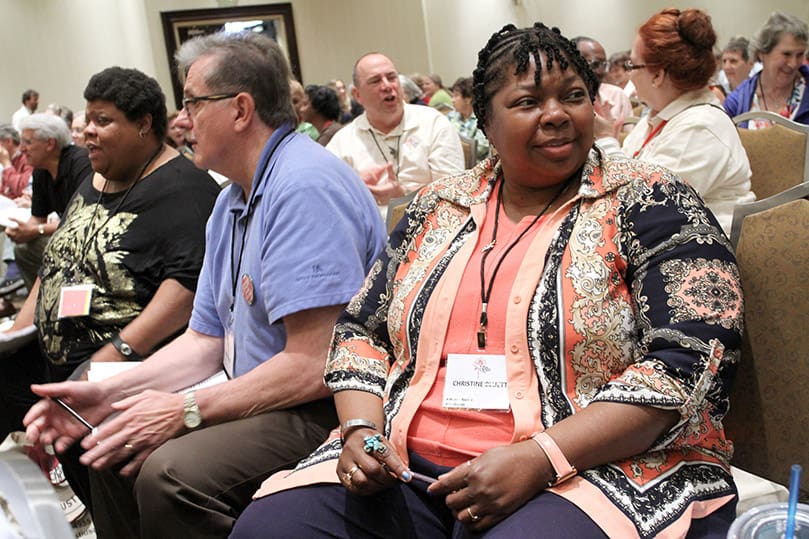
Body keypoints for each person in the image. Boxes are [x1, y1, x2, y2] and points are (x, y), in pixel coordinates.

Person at [231, 21, 742, 539]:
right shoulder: (438, 205)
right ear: (486, 123)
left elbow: (693, 358)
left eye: (574, 96)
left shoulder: (651, 199)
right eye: (527, 102)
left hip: (592, 469)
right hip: (406, 465)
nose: (557, 115)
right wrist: (361, 429)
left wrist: (542, 458)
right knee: (269, 528)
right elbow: (361, 329)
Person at [24, 30, 385, 539]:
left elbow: (314, 364)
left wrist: (185, 409)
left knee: (170, 476)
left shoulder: (303, 187)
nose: (182, 120)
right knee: (108, 443)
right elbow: (204, 342)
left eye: (192, 102)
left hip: (321, 406)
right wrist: (103, 394)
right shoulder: (230, 201)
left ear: (240, 110)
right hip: (258, 390)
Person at [1, 66, 220, 502]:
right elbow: (57, 260)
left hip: (126, 373)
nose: (88, 134)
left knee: (121, 504)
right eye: (88, 120)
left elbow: (186, 290)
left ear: (143, 124)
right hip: (59, 361)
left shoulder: (186, 189)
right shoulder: (93, 179)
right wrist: (18, 330)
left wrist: (109, 359)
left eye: (103, 121)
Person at [595, 8, 754, 236]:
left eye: (632, 66)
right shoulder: (659, 116)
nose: (629, 76)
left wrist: (606, 141)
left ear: (658, 75)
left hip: (696, 256)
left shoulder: (702, 126)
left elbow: (643, 207)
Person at [326, 53, 464, 214]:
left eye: (392, 77)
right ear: (357, 95)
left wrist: (403, 198)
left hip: (429, 229)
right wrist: (356, 193)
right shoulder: (342, 143)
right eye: (375, 81)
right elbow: (330, 205)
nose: (387, 86)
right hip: (369, 235)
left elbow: (454, 194)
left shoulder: (433, 123)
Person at [9, 113, 92, 290]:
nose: (22, 148)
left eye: (28, 142)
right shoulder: (41, 170)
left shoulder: (81, 163)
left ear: (50, 144)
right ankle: (42, 304)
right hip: (65, 235)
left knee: (50, 248)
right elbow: (37, 218)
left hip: (87, 238)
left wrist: (36, 230)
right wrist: (20, 230)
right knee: (23, 248)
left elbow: (82, 222)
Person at [724, 12, 809, 126]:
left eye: (800, 54)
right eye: (786, 54)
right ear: (762, 53)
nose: (793, 64)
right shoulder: (737, 101)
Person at [574, 36, 634, 125]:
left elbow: (630, 136)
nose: (601, 71)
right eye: (595, 64)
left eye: (604, 64)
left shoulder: (617, 96)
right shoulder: (560, 102)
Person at [446, 76, 489, 161]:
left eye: (456, 96)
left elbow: (480, 149)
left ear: (468, 99)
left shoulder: (482, 119)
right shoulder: (450, 117)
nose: (452, 100)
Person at [0, 123, 33, 200]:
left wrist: (6, 164)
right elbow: (4, 191)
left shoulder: (28, 158)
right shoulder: (10, 158)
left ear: (8, 141)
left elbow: (21, 189)